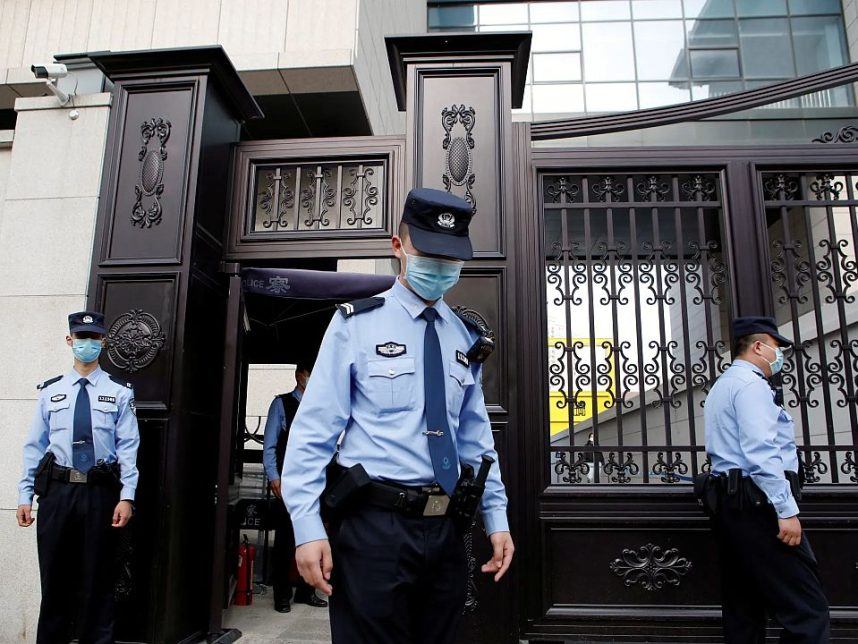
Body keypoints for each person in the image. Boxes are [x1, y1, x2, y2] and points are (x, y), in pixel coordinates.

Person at [282, 187, 514, 644]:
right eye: (429, 254)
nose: (441, 268)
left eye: (451, 258)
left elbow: (474, 438)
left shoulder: (465, 338)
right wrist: (306, 528)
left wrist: (497, 515)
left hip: (446, 527)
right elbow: (314, 432)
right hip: (375, 528)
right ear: (398, 247)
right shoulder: (355, 324)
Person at [702, 316, 830, 643]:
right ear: (759, 346)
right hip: (758, 505)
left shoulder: (724, 385)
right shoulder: (751, 385)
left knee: (743, 608)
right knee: (807, 609)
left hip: (732, 504)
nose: (779, 355)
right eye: (776, 347)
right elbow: (761, 450)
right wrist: (786, 510)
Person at [17, 311, 140, 644]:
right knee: (55, 578)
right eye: (81, 338)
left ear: (104, 342)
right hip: (58, 493)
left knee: (98, 579)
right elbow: (34, 447)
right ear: (70, 341)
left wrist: (126, 496)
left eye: (94, 338)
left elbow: (129, 447)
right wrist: (24, 495)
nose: (87, 344)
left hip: (101, 494)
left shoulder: (119, 393)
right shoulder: (50, 392)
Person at [262, 360, 327, 612]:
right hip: (288, 483)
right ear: (300, 375)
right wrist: (274, 477)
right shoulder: (281, 404)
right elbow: (269, 445)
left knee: (312, 536)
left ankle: (306, 590)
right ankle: (281, 594)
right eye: (311, 374)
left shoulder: (319, 406)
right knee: (285, 540)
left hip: (315, 482)